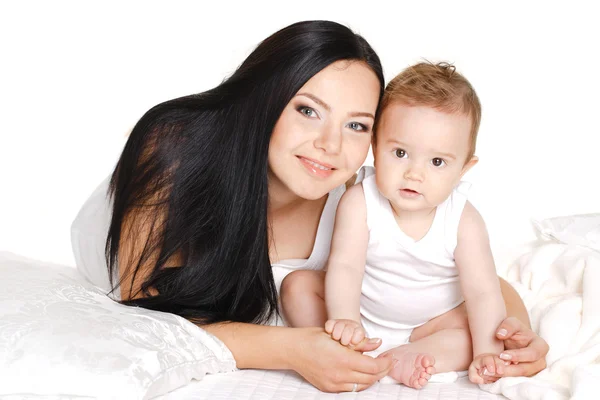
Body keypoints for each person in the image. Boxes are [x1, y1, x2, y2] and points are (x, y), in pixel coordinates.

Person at [71, 21, 549, 393]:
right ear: (266, 98)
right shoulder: (174, 147)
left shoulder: (360, 193)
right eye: (307, 110)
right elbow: (140, 307)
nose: (329, 145)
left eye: (357, 126)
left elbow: (474, 282)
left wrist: (515, 341)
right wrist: (292, 350)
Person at [281, 61, 511, 389]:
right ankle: (343, 349)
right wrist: (345, 319)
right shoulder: (360, 202)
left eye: (437, 162)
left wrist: (488, 352)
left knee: (474, 327)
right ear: (375, 147)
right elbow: (345, 268)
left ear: (463, 168)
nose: (414, 173)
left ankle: (408, 355)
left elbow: (484, 291)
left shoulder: (464, 220)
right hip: (360, 314)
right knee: (297, 286)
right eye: (400, 153)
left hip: (432, 323)